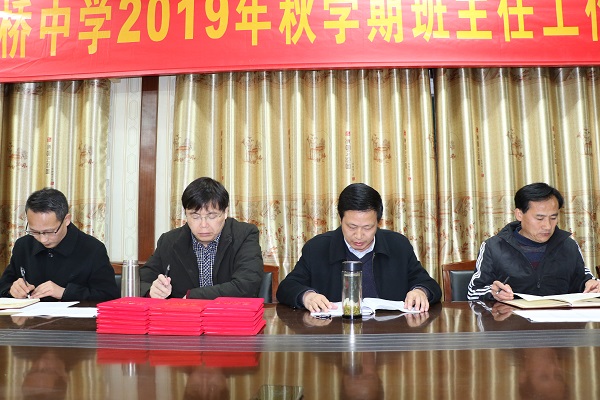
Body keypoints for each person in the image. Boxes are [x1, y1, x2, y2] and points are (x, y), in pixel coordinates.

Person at [276, 183, 441, 312]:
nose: (359, 235)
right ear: (341, 220)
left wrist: (420, 291)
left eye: (368, 227)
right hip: (334, 334)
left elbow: (428, 284)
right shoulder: (318, 248)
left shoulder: (398, 245)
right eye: (352, 227)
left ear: (378, 222)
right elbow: (287, 287)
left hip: (389, 334)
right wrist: (307, 296)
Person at [467, 182, 600, 301]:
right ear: (519, 214)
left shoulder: (568, 245)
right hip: (511, 319)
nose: (547, 226)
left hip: (560, 319)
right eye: (539, 218)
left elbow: (584, 279)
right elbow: (473, 292)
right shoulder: (493, 247)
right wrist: (493, 293)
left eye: (553, 218)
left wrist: (591, 284)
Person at [140, 177, 263, 299]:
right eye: (195, 216)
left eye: (212, 216)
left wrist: (192, 297)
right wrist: (152, 291)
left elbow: (247, 285)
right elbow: (141, 281)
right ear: (186, 214)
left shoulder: (244, 235)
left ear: (225, 212)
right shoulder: (169, 241)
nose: (203, 225)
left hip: (230, 311)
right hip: (182, 312)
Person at [0, 188, 119, 301]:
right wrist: (11, 289)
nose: (43, 239)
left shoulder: (93, 249)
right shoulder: (23, 246)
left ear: (66, 220)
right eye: (34, 231)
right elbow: (4, 286)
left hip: (72, 316)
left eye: (49, 232)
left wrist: (65, 292)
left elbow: (109, 296)